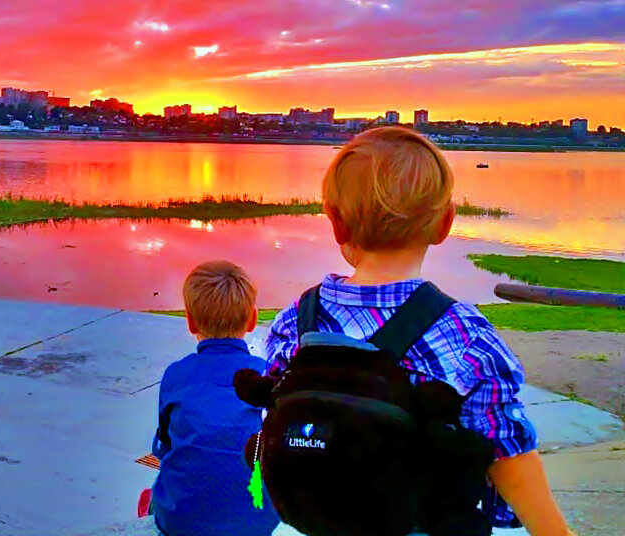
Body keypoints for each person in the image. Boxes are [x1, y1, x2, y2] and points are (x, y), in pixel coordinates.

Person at [259, 127, 573, 536]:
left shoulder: (296, 321)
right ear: (444, 224)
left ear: (335, 223)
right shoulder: (463, 335)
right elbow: (507, 452)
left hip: (321, 522)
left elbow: (274, 414)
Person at [147, 260, 280, 536]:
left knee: (155, 492)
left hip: (180, 525)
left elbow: (164, 446)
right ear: (252, 319)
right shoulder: (268, 377)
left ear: (190, 321)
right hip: (259, 523)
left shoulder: (177, 375)